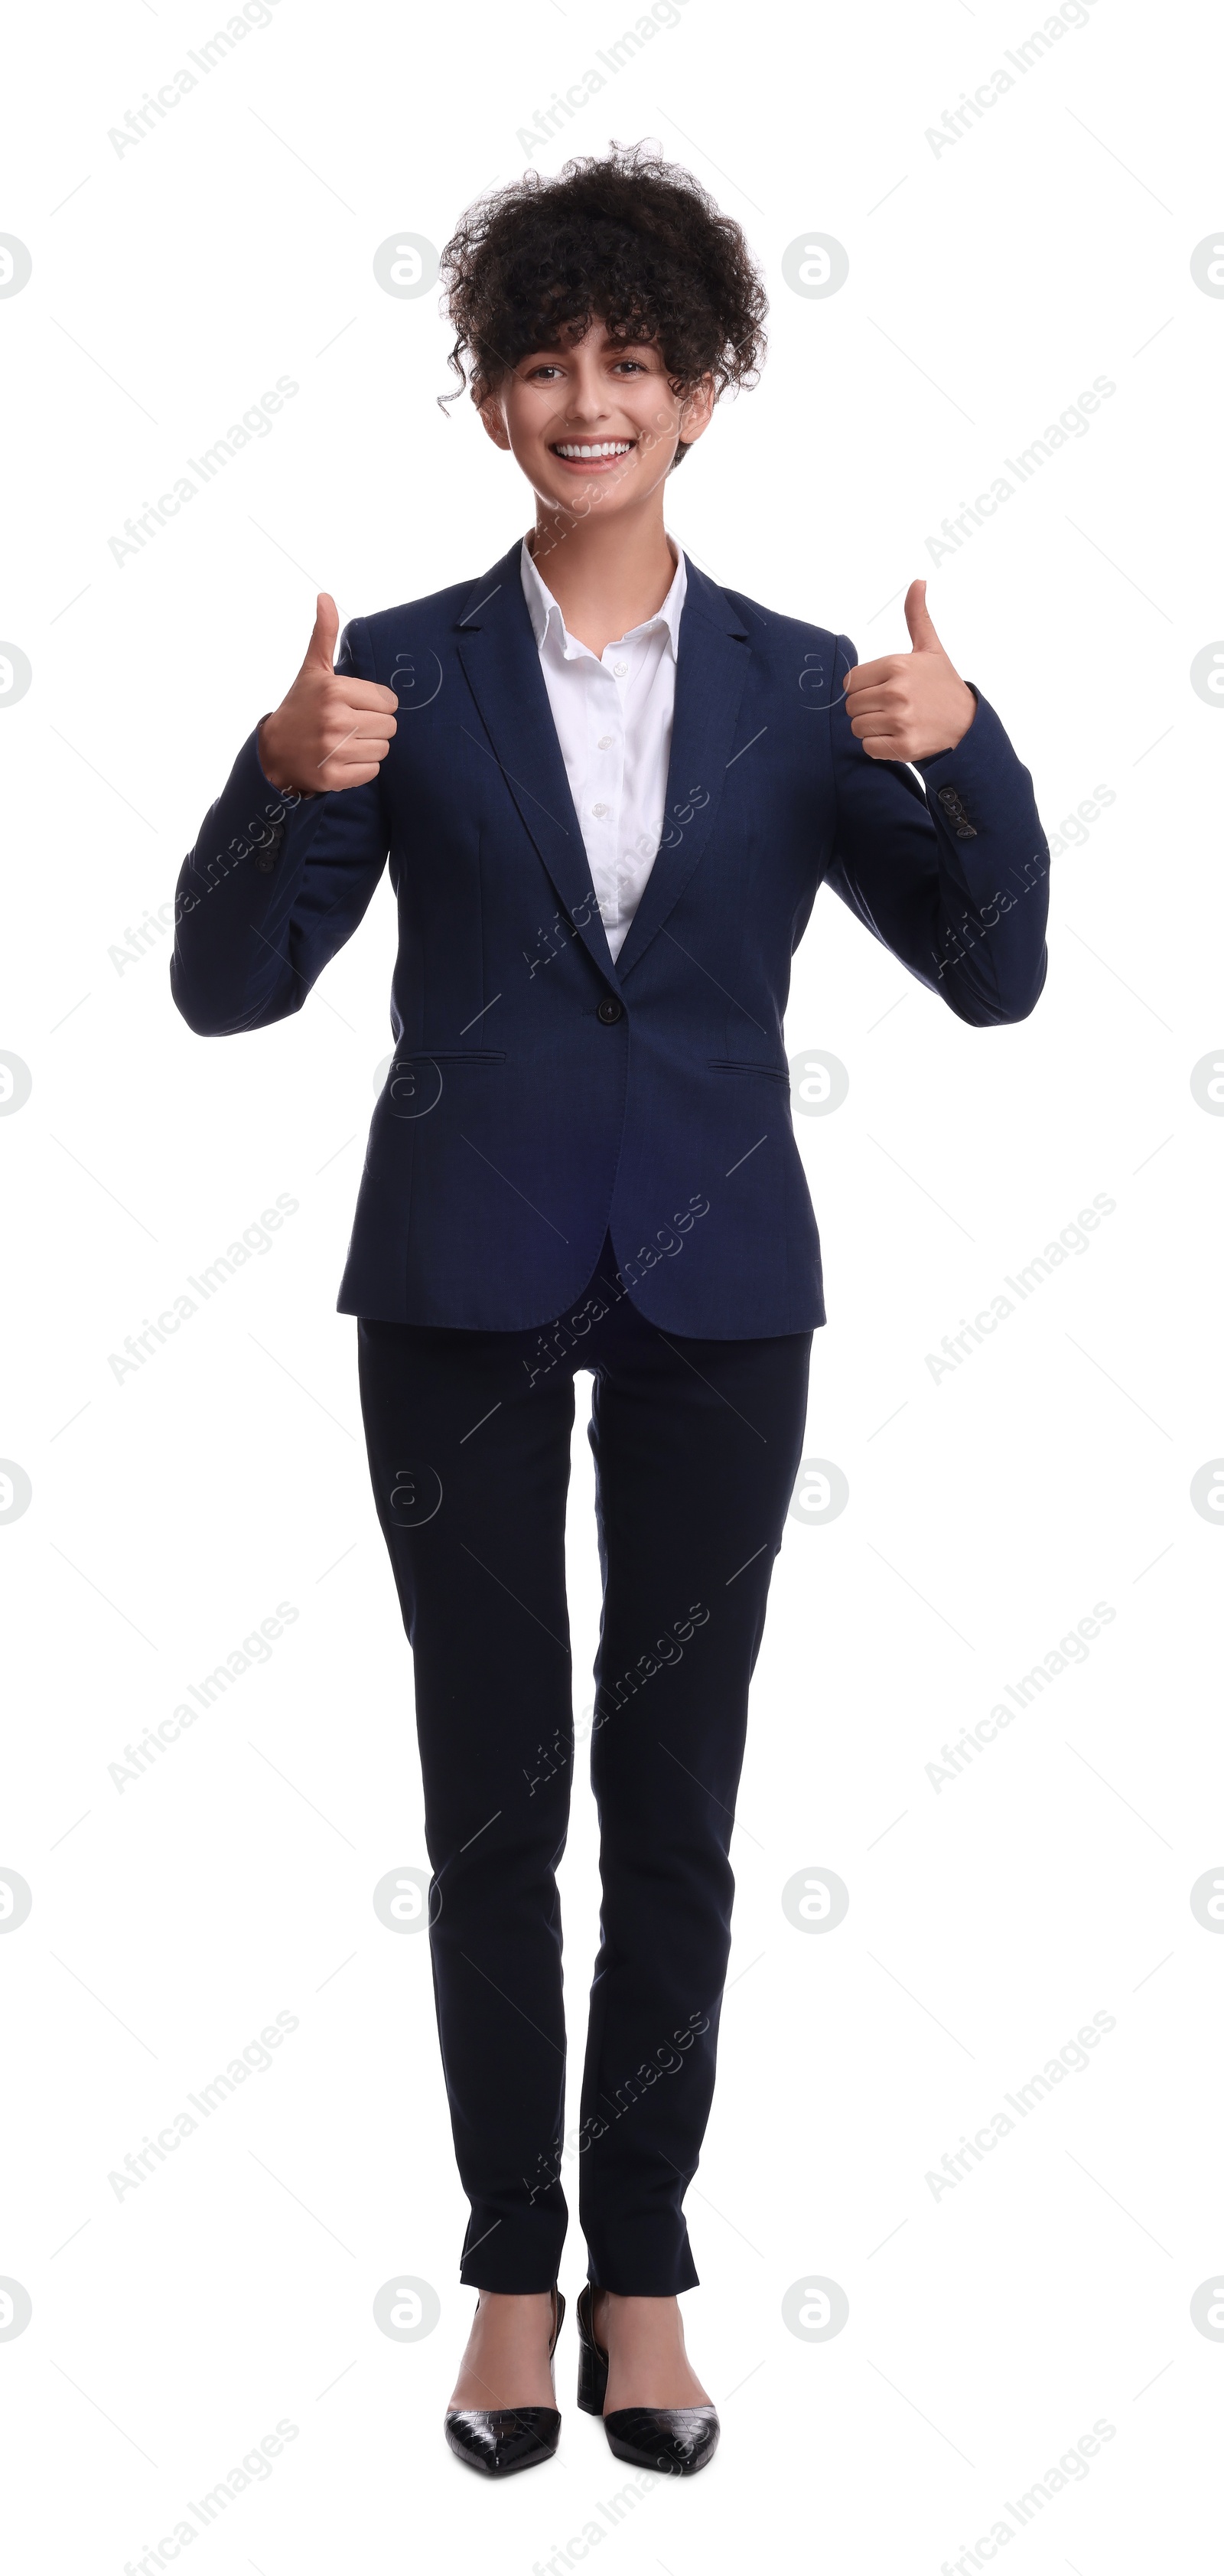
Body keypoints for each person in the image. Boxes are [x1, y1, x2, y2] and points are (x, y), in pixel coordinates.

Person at [170, 144, 1050, 2480]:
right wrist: (273, 786)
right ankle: (502, 2279)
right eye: (545, 363)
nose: (588, 400)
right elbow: (228, 994)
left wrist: (964, 760)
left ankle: (643, 2276)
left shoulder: (800, 689)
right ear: (488, 397)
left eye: (631, 362)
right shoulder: (393, 678)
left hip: (715, 1298)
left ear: (702, 389)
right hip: (457, 1282)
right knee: (490, 1809)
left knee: (675, 1803)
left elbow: (994, 981)